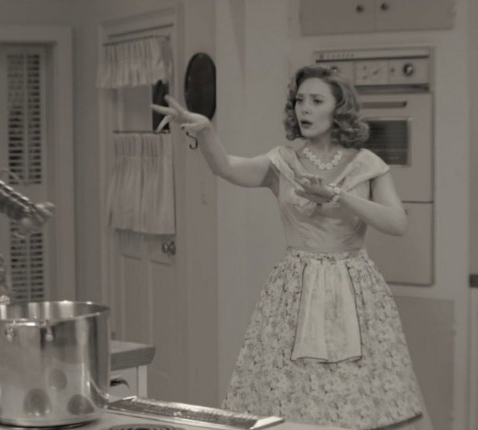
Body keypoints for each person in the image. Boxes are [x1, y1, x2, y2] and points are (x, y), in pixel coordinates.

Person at [152, 64, 431, 430]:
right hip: (295, 291)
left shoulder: (367, 164)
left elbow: (397, 223)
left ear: (339, 108)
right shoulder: (282, 162)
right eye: (300, 100)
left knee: (361, 395)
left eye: (316, 101)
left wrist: (339, 196)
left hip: (354, 291)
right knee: (291, 392)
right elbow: (227, 167)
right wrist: (206, 133)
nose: (305, 109)